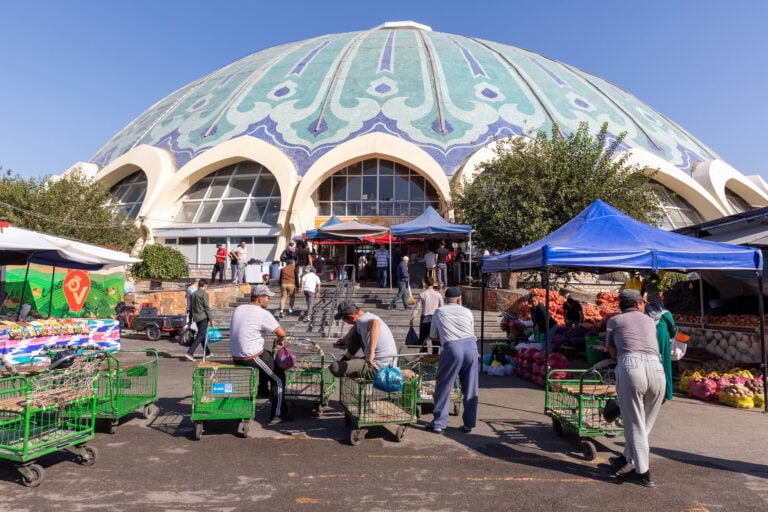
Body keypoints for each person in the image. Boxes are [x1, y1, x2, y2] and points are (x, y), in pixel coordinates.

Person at [606, 289, 665, 488]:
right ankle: (624, 459)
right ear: (639, 304)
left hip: (631, 367)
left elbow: (613, 352)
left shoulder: (614, 321)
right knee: (644, 424)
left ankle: (643, 473)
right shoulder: (649, 321)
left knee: (635, 425)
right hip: (657, 369)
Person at [229, 284, 292, 425]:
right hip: (250, 355)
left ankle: (263, 390)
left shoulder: (239, 308)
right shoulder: (262, 313)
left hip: (236, 355)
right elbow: (281, 333)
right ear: (259, 299)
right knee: (279, 377)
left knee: (268, 355)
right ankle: (278, 415)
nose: (269, 300)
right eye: (267, 297)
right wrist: (280, 339)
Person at [425, 287, 479, 435]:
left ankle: (439, 424)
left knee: (444, 386)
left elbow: (433, 336)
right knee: (471, 388)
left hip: (452, 348)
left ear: (444, 300)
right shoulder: (467, 312)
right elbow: (471, 332)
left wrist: (444, 335)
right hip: (471, 348)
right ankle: (469, 424)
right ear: (460, 299)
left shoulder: (439, 312)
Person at [329, 301, 397, 377]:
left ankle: (348, 361)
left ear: (351, 317)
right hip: (388, 362)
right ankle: (347, 358)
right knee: (358, 332)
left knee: (334, 367)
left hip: (378, 368)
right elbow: (356, 327)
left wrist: (371, 352)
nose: (346, 323)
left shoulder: (365, 321)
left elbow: (375, 323)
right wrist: (346, 338)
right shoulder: (366, 317)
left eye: (345, 320)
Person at [645, 292, 676, 402]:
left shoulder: (645, 313)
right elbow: (673, 331)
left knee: (650, 367)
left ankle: (651, 392)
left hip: (649, 342)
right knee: (665, 366)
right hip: (663, 342)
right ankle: (665, 393)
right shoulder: (665, 314)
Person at [410, 276, 443, 354]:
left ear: (425, 283)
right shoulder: (438, 295)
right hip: (435, 318)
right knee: (435, 341)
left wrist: (412, 319)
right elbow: (442, 309)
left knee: (423, 340)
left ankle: (424, 358)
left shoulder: (422, 294)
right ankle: (435, 358)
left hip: (425, 319)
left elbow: (417, 308)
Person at [185, 279, 213, 361]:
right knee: (200, 335)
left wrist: (190, 320)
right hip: (203, 317)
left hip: (196, 318)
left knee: (202, 335)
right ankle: (190, 353)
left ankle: (208, 352)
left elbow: (190, 308)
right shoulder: (204, 294)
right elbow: (206, 308)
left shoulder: (193, 294)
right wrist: (211, 319)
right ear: (205, 286)